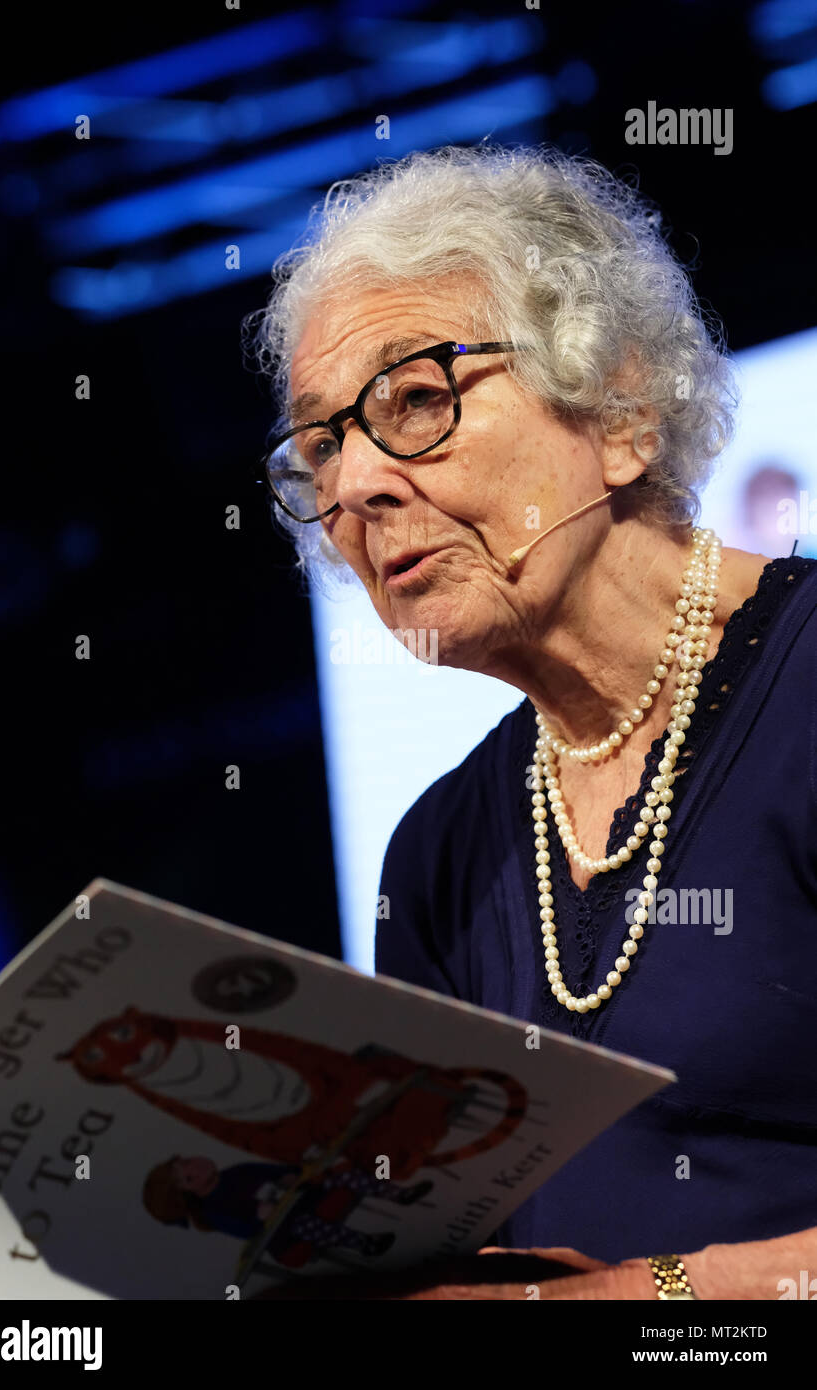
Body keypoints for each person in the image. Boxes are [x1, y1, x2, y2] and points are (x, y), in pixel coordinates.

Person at [248, 144, 817, 1300]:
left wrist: (634, 1305)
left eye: (414, 400)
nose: (353, 487)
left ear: (618, 409)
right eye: (320, 446)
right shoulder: (439, 856)